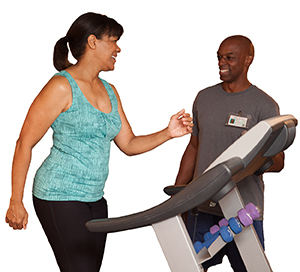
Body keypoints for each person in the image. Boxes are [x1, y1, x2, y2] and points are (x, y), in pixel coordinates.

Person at [5, 12, 193, 272]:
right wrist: (16, 200)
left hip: (95, 199)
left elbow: (128, 144)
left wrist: (168, 132)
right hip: (58, 195)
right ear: (92, 42)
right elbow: (24, 143)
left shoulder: (110, 91)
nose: (118, 48)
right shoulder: (61, 87)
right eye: (113, 40)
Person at [174, 35, 284, 272]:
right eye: (219, 57)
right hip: (202, 206)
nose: (222, 62)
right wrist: (178, 198)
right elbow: (194, 148)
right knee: (190, 268)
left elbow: (279, 163)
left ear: (248, 60)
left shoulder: (264, 105)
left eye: (230, 58)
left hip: (243, 210)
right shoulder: (204, 98)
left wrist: (257, 148)